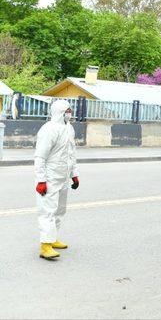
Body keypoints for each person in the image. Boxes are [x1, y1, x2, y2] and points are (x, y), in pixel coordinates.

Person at [34, 99, 80, 260]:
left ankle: (53, 238)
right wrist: (41, 180)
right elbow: (40, 156)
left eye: (70, 110)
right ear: (60, 112)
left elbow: (71, 153)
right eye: (68, 110)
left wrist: (74, 174)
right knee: (47, 210)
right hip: (50, 176)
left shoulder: (69, 128)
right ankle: (45, 246)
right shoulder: (49, 129)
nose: (70, 113)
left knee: (60, 210)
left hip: (64, 175)